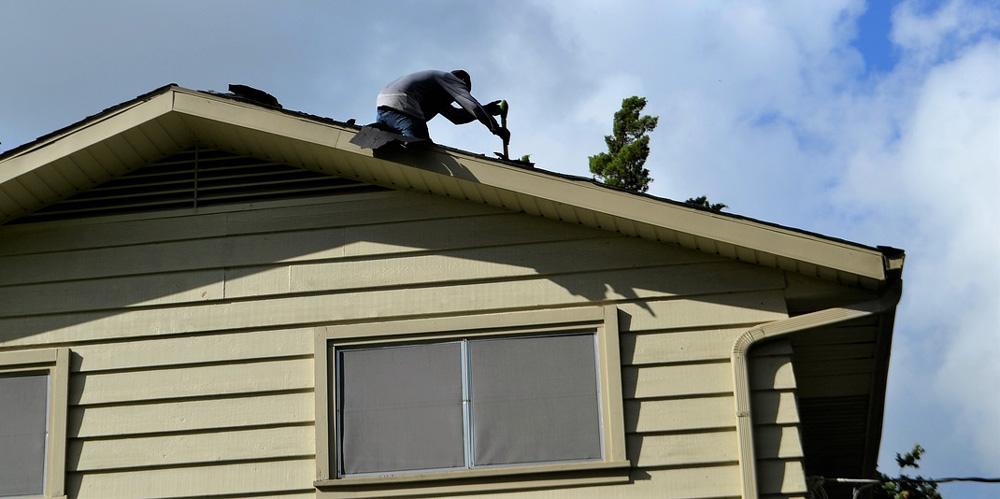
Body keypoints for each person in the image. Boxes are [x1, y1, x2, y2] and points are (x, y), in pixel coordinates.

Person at [375, 70, 509, 143]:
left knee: (391, 141)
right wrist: (496, 128)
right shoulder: (452, 79)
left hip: (384, 107)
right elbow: (473, 107)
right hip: (404, 105)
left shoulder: (434, 91)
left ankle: (380, 129)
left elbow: (456, 117)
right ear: (462, 82)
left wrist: (487, 110)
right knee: (421, 147)